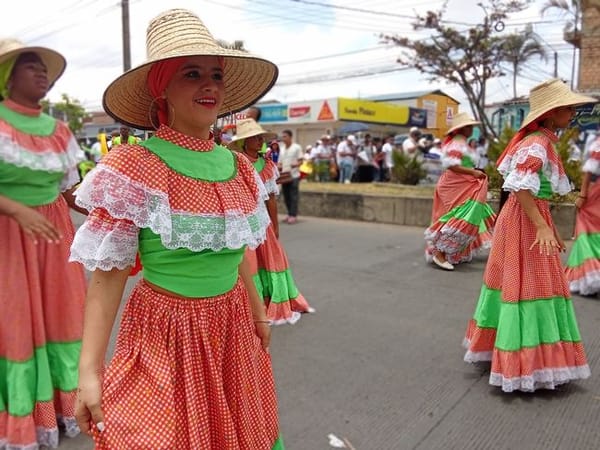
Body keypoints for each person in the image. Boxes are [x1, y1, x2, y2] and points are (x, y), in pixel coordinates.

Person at [70, 9, 284, 449]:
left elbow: (241, 250)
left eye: (216, 75)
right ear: (160, 86)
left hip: (232, 328)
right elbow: (107, 279)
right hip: (164, 333)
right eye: (191, 73)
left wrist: (258, 313)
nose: (209, 85)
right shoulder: (133, 167)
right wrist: (89, 373)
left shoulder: (240, 167)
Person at [463, 78, 594, 392]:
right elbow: (521, 188)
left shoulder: (540, 139)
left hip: (527, 216)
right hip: (526, 218)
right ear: (552, 112)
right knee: (528, 285)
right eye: (569, 108)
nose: (573, 113)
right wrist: (542, 226)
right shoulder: (537, 142)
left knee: (524, 282)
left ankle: (524, 357)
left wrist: (545, 223)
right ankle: (524, 363)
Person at [0, 38, 87, 449]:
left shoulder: (60, 130)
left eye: (44, 69)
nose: (42, 74)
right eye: (30, 66)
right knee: (16, 325)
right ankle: (21, 415)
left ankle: (64, 407)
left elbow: (73, 192)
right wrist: (15, 209)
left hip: (54, 235)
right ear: (7, 77)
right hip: (8, 237)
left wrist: (117, 219)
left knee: (65, 319)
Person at [229, 119, 314, 325]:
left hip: (262, 220)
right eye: (255, 138)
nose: (259, 142)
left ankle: (270, 301)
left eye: (260, 138)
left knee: (271, 260)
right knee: (250, 265)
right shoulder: (234, 162)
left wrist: (274, 225)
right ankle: (252, 307)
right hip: (242, 220)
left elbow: (272, 198)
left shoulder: (266, 164)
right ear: (244, 142)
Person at [424, 112, 496, 270]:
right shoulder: (457, 143)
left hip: (463, 184)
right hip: (455, 185)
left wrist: (474, 172)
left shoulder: (462, 142)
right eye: (469, 127)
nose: (471, 129)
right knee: (458, 217)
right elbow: (451, 165)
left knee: (467, 216)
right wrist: (473, 172)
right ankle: (440, 253)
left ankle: (452, 253)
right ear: (462, 129)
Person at [565, 133, 600, 295]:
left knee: (587, 232)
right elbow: (589, 171)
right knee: (586, 231)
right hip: (596, 195)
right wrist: (583, 195)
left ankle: (589, 277)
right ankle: (589, 277)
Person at [279, 129, 302, 224]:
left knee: (293, 196)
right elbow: (280, 161)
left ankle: (293, 215)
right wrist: (279, 166)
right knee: (286, 196)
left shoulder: (297, 147)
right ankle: (289, 214)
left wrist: (295, 164)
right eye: (282, 136)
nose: (283, 138)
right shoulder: (282, 148)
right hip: (284, 176)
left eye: (285, 136)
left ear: (290, 137)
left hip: (294, 175)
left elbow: (301, 160)